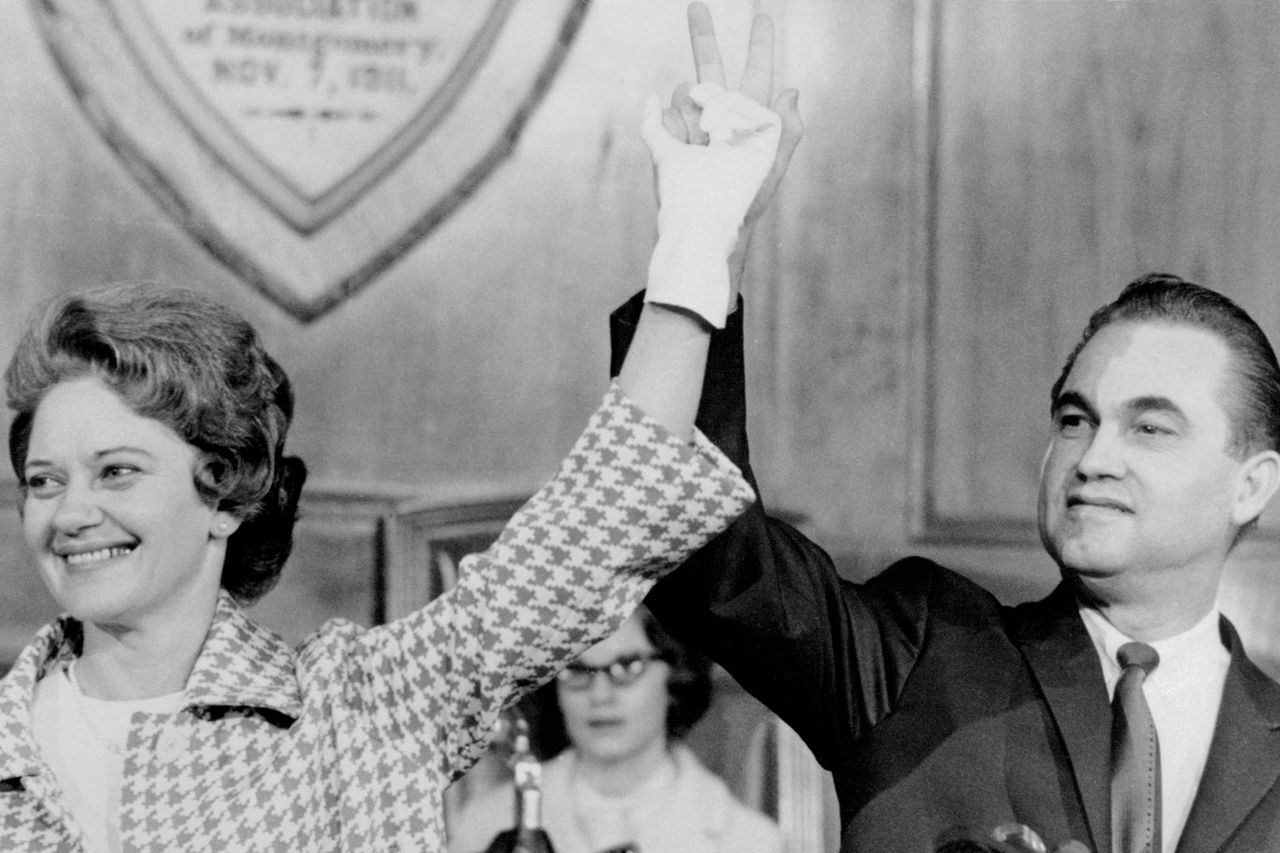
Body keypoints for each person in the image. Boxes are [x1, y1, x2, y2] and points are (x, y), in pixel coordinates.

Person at [0, 10, 794, 848]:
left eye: (116, 470)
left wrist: (701, 238)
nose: (70, 511)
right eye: (44, 480)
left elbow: (592, 530)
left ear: (225, 496)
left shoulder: (363, 708)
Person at [611, 6, 1280, 853]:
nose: (1093, 458)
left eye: (1151, 429)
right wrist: (708, 243)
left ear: (1252, 481)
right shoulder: (921, 654)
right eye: (1075, 419)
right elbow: (700, 544)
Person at [447, 606, 783, 853]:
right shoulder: (487, 824)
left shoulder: (747, 840)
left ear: (676, 674)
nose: (600, 695)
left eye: (627, 667)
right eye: (578, 671)